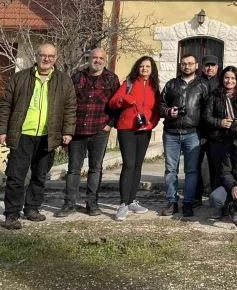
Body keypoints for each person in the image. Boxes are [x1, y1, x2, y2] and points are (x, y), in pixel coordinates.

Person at [0, 43, 76, 230]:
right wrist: (1, 130)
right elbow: (5, 104)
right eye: (43, 55)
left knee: (40, 176)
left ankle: (32, 208)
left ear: (56, 58)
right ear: (36, 56)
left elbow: (70, 108)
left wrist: (67, 131)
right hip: (22, 134)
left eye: (51, 56)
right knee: (16, 176)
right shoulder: (20, 77)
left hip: (48, 136)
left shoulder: (64, 81)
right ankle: (11, 214)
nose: (46, 59)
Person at [58, 48, 120, 217]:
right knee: (73, 169)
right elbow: (67, 103)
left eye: (101, 58)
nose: (97, 60)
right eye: (94, 57)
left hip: (99, 130)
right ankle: (69, 204)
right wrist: (67, 127)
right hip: (77, 130)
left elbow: (117, 104)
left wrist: (110, 124)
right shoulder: (77, 77)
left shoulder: (112, 79)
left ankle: (92, 203)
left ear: (105, 60)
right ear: (89, 58)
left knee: (95, 168)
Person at [108, 56, 161, 221]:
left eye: (148, 66)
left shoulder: (154, 87)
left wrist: (151, 124)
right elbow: (113, 102)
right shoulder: (128, 83)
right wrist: (124, 99)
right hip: (127, 129)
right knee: (129, 165)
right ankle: (123, 204)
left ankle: (132, 201)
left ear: (152, 70)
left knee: (137, 166)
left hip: (144, 131)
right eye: (141, 66)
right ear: (137, 68)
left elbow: (157, 111)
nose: (144, 69)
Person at [158, 53, 210, 218]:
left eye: (190, 63)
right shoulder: (171, 84)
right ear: (180, 65)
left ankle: (188, 202)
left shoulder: (202, 86)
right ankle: (172, 202)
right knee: (170, 170)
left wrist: (204, 133)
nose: (187, 66)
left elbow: (207, 112)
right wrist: (168, 111)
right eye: (184, 63)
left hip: (193, 134)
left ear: (196, 66)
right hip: (171, 133)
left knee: (192, 171)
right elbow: (160, 106)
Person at [202, 65, 237, 191]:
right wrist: (220, 122)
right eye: (227, 78)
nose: (229, 81)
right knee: (218, 171)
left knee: (236, 169)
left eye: (233, 78)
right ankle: (218, 196)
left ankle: (236, 195)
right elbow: (206, 117)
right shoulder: (214, 95)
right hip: (218, 139)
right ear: (222, 79)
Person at [194, 54, 221, 205]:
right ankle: (196, 197)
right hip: (198, 131)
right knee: (196, 166)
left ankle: (215, 197)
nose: (210, 68)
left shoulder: (221, 84)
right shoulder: (196, 82)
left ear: (217, 67)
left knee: (215, 166)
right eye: (207, 65)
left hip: (216, 132)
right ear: (202, 67)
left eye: (213, 65)